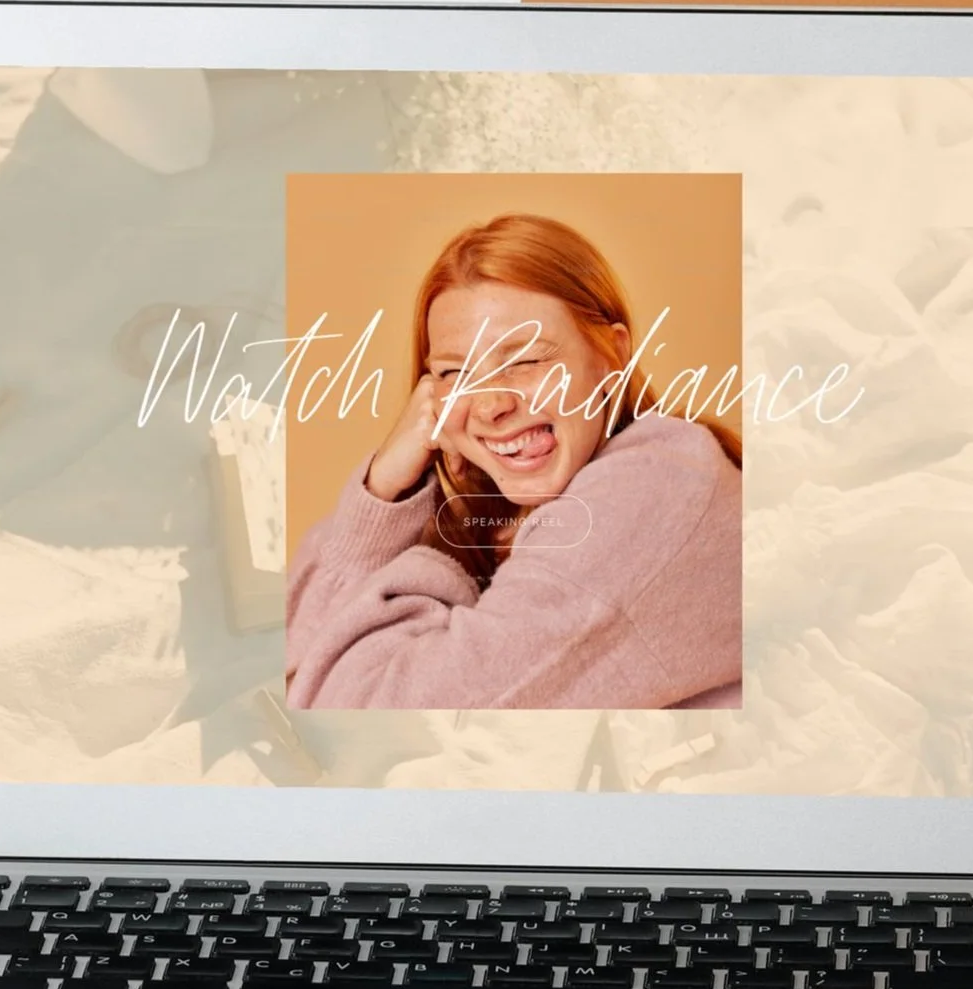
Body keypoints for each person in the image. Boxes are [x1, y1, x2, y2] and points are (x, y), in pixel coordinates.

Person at [284, 213, 742, 713]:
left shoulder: (656, 485)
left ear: (612, 356)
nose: (489, 406)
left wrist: (426, 572)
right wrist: (383, 491)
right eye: (455, 372)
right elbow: (289, 670)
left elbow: (351, 719)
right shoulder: (498, 517)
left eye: (525, 360)